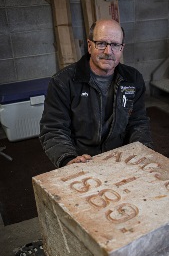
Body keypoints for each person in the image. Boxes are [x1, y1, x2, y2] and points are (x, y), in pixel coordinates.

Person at [40, 19, 153, 167]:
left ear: (121, 48)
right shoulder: (63, 82)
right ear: (89, 46)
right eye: (101, 44)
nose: (108, 52)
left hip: (121, 157)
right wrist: (67, 159)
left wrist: (142, 150)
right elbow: (54, 128)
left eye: (114, 45)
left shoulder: (133, 78)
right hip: (82, 158)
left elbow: (138, 122)